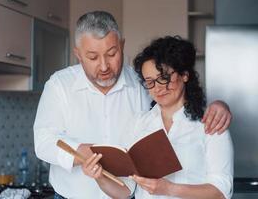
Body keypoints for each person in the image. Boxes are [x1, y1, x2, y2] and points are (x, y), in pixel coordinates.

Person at [33, 11, 232, 199]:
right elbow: (43, 142)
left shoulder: (141, 82)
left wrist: (221, 105)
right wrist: (88, 157)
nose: (104, 66)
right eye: (93, 57)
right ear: (78, 54)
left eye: (112, 54)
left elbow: (179, 97)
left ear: (122, 45)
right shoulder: (60, 85)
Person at [83, 36, 233, 199]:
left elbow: (221, 192)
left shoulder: (211, 123)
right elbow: (126, 191)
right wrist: (100, 177)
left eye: (164, 78)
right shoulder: (139, 123)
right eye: (150, 81)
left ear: (184, 75)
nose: (158, 88)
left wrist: (169, 189)